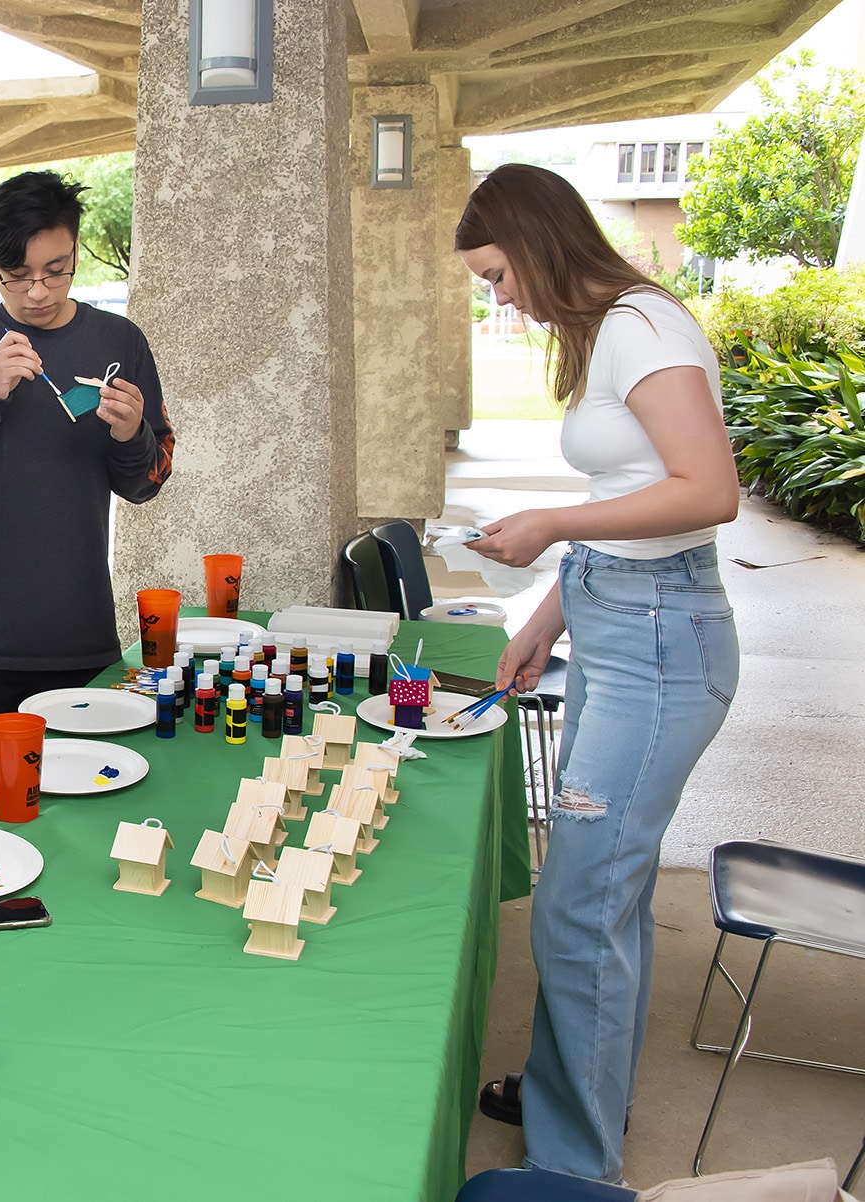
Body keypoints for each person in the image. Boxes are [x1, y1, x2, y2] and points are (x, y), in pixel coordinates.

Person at [457, 164, 741, 1185]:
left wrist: (551, 526)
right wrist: (548, 611)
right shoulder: (611, 331)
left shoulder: (642, 325)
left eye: (498, 274)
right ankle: (571, 1087)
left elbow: (709, 490)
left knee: (579, 900)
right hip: (621, 635)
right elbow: (632, 496)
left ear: (536, 242)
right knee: (601, 893)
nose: (501, 296)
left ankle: (575, 1165)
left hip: (660, 657)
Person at [0, 170, 174, 808]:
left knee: (79, 821)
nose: (36, 291)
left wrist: (132, 434)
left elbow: (146, 484)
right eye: (16, 274)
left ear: (75, 252)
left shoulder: (119, 341)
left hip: (77, 636)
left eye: (56, 271)